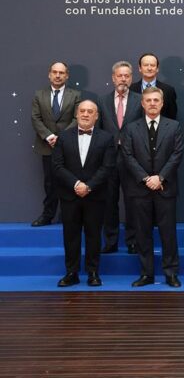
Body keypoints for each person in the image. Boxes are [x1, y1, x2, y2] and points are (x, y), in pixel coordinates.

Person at [121, 87, 184, 288]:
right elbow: (128, 156)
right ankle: (146, 273)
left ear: (162, 103)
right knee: (142, 233)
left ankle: (171, 273)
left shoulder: (174, 126)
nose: (152, 104)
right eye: (148, 100)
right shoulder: (131, 128)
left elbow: (177, 155)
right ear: (142, 103)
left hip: (165, 188)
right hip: (140, 189)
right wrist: (146, 178)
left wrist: (161, 177)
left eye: (156, 100)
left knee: (168, 233)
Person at [52, 100, 116, 287]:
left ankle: (93, 272)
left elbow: (108, 167)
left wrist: (88, 186)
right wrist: (76, 183)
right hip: (70, 195)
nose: (86, 114)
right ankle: (71, 272)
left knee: (94, 234)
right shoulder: (63, 137)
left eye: (90, 111)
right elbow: (57, 165)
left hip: (95, 195)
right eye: (82, 111)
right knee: (70, 235)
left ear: (96, 116)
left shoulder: (106, 138)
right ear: (76, 114)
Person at [97, 61, 143, 254]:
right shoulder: (102, 101)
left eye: (127, 76)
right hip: (108, 160)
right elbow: (98, 131)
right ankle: (111, 240)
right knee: (109, 201)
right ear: (113, 78)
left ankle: (132, 240)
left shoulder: (140, 99)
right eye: (119, 75)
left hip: (132, 158)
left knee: (132, 201)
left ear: (131, 78)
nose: (123, 79)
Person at [30, 61, 81, 227]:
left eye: (61, 73)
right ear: (49, 74)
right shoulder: (39, 95)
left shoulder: (76, 95)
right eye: (55, 72)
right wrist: (49, 136)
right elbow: (35, 118)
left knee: (69, 182)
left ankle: (69, 216)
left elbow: (77, 118)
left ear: (67, 76)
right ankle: (48, 215)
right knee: (50, 183)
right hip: (47, 146)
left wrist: (61, 138)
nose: (58, 75)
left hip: (68, 146)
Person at [129, 53, 178, 119]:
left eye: (152, 65)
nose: (149, 68)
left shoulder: (168, 90)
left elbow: (171, 117)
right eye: (146, 65)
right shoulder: (130, 89)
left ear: (157, 68)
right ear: (140, 68)